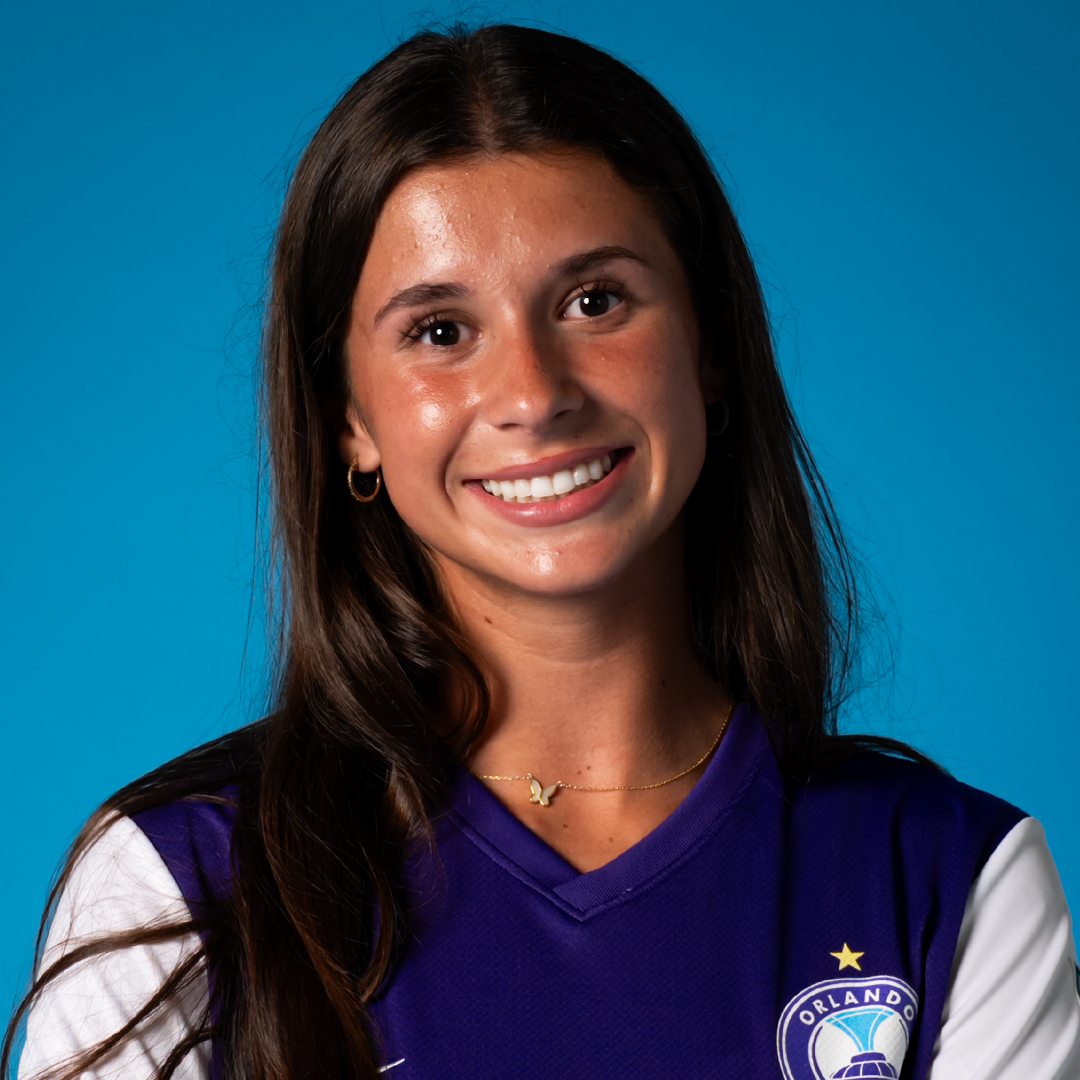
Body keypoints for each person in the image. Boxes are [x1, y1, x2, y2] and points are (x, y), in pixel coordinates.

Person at [6, 23, 1079, 1080]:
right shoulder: (180, 886)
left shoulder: (948, 880)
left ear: (708, 347)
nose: (533, 394)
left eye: (594, 301)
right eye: (439, 331)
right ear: (349, 420)